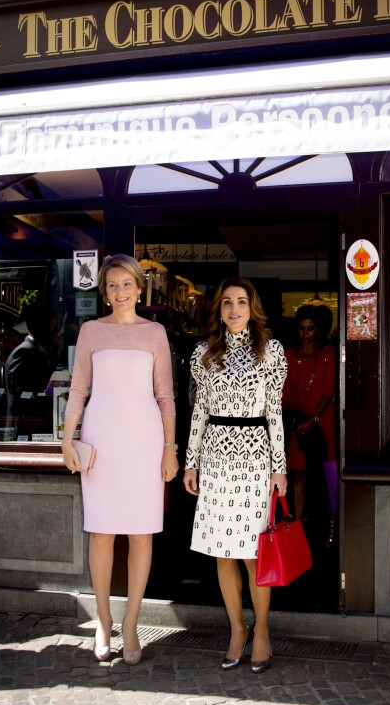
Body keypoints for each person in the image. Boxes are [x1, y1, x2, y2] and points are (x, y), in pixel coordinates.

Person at [62, 254, 178, 665]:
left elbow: (165, 396)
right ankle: (102, 620)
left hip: (144, 442)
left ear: (139, 288)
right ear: (104, 290)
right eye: (112, 284)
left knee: (141, 535)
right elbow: (78, 390)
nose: (120, 291)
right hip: (101, 441)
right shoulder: (91, 331)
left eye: (127, 284)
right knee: (102, 533)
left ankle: (130, 623)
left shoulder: (156, 333)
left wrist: (169, 448)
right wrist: (66, 439)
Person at [183, 278, 287, 674]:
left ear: (251, 307)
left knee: (251, 554)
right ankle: (236, 630)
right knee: (223, 554)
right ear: (219, 309)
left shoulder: (271, 350)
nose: (234, 309)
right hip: (215, 458)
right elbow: (199, 412)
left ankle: (262, 631)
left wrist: (279, 467)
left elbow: (275, 411)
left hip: (255, 459)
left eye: (241, 302)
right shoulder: (204, 354)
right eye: (226, 302)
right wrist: (191, 461)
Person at [282, 304, 337, 524]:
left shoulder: (327, 354)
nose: (306, 334)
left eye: (311, 329)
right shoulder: (288, 354)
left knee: (327, 469)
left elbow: (328, 391)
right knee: (297, 472)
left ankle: (331, 521)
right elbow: (283, 391)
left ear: (318, 330)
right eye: (302, 328)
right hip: (297, 419)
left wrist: (313, 420)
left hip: (322, 418)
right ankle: (297, 521)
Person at [5, 304, 57, 425]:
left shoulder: (38, 349)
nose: (54, 326)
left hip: (33, 421)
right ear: (41, 323)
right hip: (25, 423)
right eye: (51, 321)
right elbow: (20, 394)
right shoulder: (24, 351)